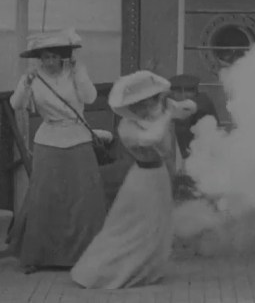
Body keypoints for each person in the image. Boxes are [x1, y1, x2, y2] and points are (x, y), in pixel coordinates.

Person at [70, 71, 195, 289]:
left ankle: (144, 269)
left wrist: (174, 105)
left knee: (155, 228)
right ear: (131, 106)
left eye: (149, 102)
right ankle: (100, 273)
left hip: (159, 177)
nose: (145, 108)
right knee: (130, 229)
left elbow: (189, 108)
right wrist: (167, 115)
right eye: (139, 105)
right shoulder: (127, 127)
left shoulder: (156, 114)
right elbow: (152, 138)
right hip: (142, 180)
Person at [8, 28, 106, 274]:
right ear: (39, 58)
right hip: (48, 140)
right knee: (44, 199)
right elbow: (16, 104)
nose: (49, 62)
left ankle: (85, 255)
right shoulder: (33, 77)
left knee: (83, 199)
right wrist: (25, 83)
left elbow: (90, 98)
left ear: (63, 56)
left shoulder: (74, 72)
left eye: (54, 56)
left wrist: (79, 71)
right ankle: (39, 256)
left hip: (77, 137)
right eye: (45, 57)